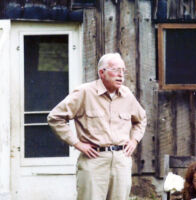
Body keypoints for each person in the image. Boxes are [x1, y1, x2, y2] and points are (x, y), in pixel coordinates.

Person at [47, 52, 147, 200]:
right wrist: (77, 143)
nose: (121, 75)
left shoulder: (126, 95)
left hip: (121, 161)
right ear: (102, 72)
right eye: (115, 70)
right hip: (94, 160)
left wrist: (134, 140)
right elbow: (55, 117)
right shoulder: (84, 92)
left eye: (123, 71)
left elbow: (141, 119)